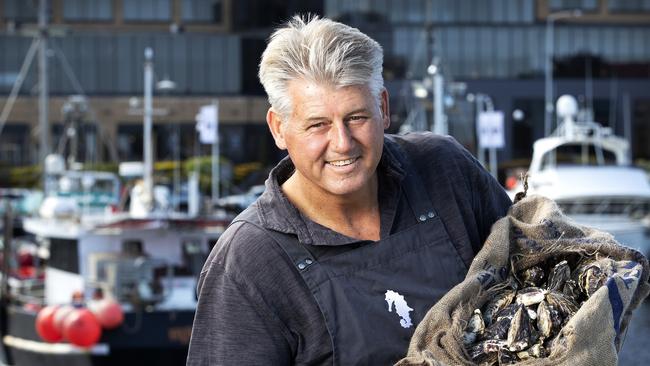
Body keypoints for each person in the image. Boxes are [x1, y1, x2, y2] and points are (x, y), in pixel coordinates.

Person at [187, 15, 511, 366]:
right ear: (279, 129)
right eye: (318, 125)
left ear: (383, 108)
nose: (342, 143)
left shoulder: (444, 169)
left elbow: (528, 272)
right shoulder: (247, 264)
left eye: (356, 118)